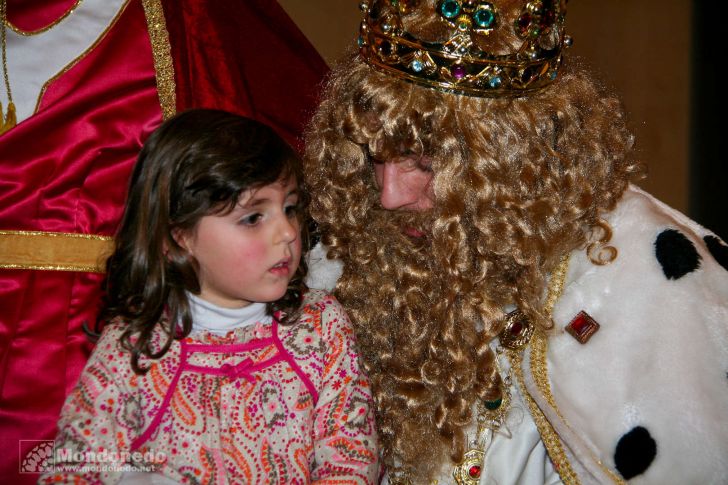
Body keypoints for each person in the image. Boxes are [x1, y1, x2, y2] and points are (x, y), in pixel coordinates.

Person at [303, 0, 728, 483]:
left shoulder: (639, 280)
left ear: (513, 154)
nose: (389, 195)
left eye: (423, 162)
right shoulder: (346, 258)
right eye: (373, 158)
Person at [39, 109, 379, 484]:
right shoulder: (131, 351)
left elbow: (350, 460)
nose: (286, 232)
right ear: (177, 238)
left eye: (289, 208)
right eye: (253, 218)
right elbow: (74, 471)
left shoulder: (320, 327)